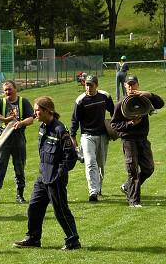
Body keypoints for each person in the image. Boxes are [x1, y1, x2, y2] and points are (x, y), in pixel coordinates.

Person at [13, 96, 80, 250]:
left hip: (55, 179)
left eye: (37, 110)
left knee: (60, 210)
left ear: (47, 110)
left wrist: (59, 174)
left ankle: (73, 240)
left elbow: (71, 156)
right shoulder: (42, 127)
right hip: (43, 176)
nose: (34, 113)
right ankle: (33, 239)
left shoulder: (60, 130)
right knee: (34, 207)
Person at [110, 75, 164, 208]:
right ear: (124, 86)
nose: (130, 87)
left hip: (143, 139)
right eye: (128, 84)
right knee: (132, 170)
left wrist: (149, 94)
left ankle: (127, 186)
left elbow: (161, 104)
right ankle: (134, 201)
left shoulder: (144, 100)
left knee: (148, 169)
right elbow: (114, 125)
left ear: (138, 85)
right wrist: (130, 123)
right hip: (128, 140)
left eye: (133, 84)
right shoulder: (121, 103)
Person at [0, 80, 34, 204]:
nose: (7, 92)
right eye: (5, 90)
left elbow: (31, 118)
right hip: (3, 139)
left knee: (20, 167)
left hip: (19, 138)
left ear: (15, 89)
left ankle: (20, 196)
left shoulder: (24, 102)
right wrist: (4, 118)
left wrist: (21, 123)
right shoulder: (1, 102)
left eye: (9, 89)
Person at [70, 74, 115, 202]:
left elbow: (113, 111)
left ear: (97, 85)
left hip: (103, 135)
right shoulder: (80, 100)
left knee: (101, 164)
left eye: (91, 85)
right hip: (87, 136)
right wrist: (73, 138)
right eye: (86, 85)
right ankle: (93, 192)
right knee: (90, 163)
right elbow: (74, 121)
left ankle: (99, 188)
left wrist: (114, 126)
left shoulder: (104, 96)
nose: (88, 87)